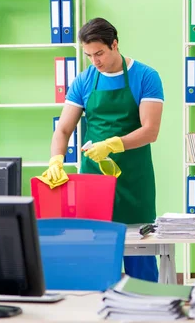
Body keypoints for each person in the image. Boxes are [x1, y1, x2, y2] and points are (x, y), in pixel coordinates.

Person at [37, 17, 164, 282]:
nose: (95, 61)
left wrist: (112, 144)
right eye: (88, 55)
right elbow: (62, 129)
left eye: (99, 53)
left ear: (114, 45)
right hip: (94, 183)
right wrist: (56, 161)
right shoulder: (84, 81)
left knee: (140, 262)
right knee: (96, 263)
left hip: (134, 180)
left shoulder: (145, 76)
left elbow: (150, 130)